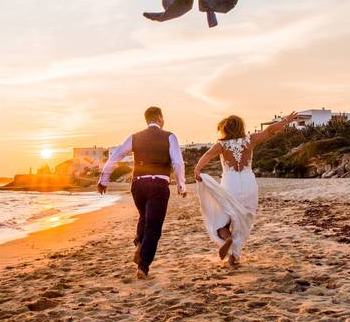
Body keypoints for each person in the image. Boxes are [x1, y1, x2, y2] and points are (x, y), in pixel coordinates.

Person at [192, 112, 297, 267]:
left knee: (222, 217)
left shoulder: (222, 145)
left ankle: (227, 239)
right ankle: (234, 256)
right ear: (241, 127)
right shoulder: (250, 140)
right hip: (248, 182)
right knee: (242, 221)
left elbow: (208, 155)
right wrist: (286, 121)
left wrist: (197, 169)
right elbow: (269, 131)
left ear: (225, 129)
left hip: (230, 182)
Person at [98, 106, 186, 279]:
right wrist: (181, 184)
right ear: (160, 118)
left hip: (138, 185)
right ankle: (143, 266)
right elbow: (178, 163)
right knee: (153, 226)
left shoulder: (135, 137)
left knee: (144, 216)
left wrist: (103, 179)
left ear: (147, 120)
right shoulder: (170, 136)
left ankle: (140, 241)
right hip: (159, 185)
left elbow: (116, 155)